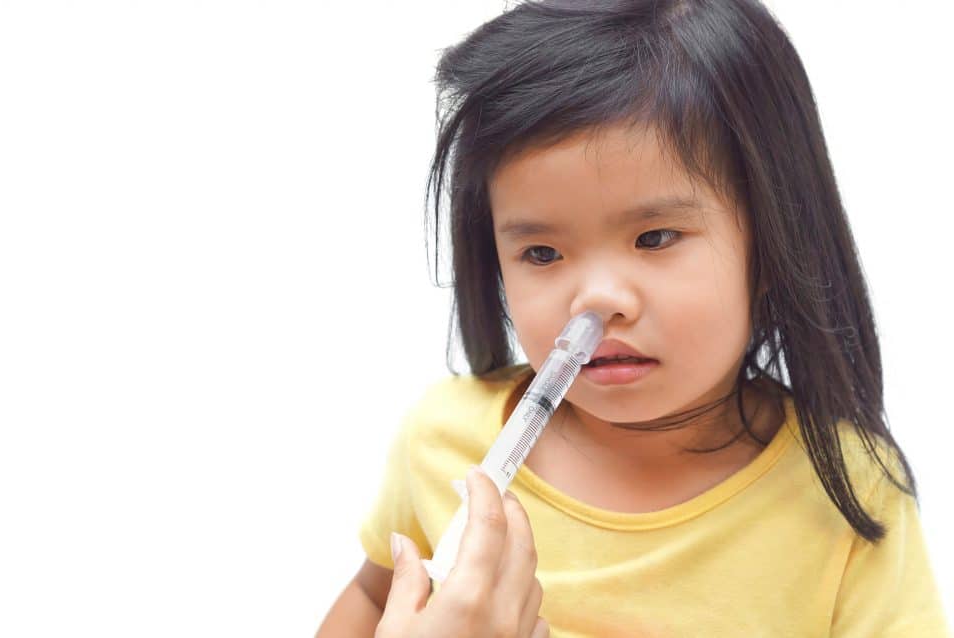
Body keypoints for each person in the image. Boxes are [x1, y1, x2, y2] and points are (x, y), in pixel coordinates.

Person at [316, 0, 950, 636]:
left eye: (655, 238)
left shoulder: (846, 492)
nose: (596, 299)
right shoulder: (444, 440)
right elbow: (374, 600)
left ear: (774, 238)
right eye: (541, 252)